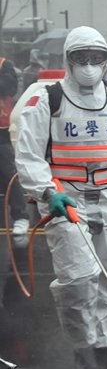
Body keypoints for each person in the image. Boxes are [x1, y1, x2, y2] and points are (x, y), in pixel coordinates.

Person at [14, 26, 107, 369]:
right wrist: (48, 192)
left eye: (96, 58)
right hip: (65, 197)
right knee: (78, 279)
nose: (89, 65)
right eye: (81, 58)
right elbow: (28, 153)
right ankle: (83, 349)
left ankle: (101, 349)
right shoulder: (48, 100)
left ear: (106, 60)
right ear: (69, 59)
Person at [0, 54, 29, 237]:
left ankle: (20, 216)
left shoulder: (4, 65)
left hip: (0, 130)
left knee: (8, 172)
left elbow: (9, 87)